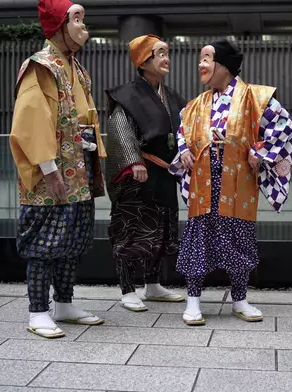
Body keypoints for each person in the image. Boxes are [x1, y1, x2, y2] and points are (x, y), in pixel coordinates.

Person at [168, 39, 292, 325]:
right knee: (199, 237)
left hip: (238, 181)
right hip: (204, 179)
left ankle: (240, 299)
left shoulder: (254, 97)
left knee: (240, 236)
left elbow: (283, 124)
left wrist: (260, 152)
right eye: (200, 59)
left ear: (224, 65)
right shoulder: (196, 104)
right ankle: (193, 301)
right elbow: (182, 130)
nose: (200, 64)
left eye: (206, 58)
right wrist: (185, 150)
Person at [9, 0, 107, 339]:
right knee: (43, 243)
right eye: (76, 19)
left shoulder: (74, 66)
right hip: (50, 173)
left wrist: (90, 145)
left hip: (77, 167)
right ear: (58, 26)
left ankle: (64, 304)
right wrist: (49, 170)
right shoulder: (41, 66)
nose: (84, 26)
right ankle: (38, 311)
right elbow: (30, 121)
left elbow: (83, 115)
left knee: (72, 240)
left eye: (83, 19)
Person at [105, 34, 187, 311]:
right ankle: (127, 288)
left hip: (164, 172)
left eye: (167, 53)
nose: (166, 58)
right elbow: (119, 129)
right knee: (130, 229)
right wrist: (132, 161)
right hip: (137, 173)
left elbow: (185, 129)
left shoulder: (172, 96)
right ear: (143, 61)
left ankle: (152, 284)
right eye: (160, 53)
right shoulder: (126, 95)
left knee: (162, 228)